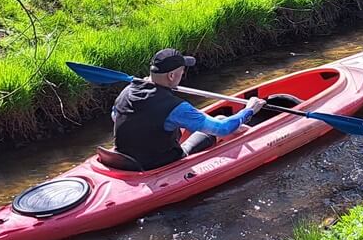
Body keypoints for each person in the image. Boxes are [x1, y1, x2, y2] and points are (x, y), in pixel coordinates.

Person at [110, 48, 264, 169]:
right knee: (220, 120)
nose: (183, 74)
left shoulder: (126, 92)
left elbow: (115, 115)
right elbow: (222, 129)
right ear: (171, 76)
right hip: (157, 164)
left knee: (175, 124)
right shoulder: (176, 108)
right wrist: (249, 110)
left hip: (124, 160)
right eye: (182, 71)